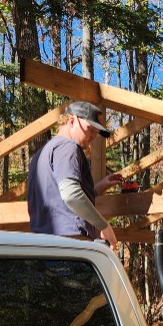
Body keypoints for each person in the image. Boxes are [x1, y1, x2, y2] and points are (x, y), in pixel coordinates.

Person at [28, 101, 123, 249]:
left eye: (96, 133)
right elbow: (71, 195)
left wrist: (99, 187)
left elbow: (56, 197)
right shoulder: (68, 147)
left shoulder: (42, 153)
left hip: (45, 243)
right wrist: (104, 226)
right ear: (72, 121)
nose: (93, 136)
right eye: (90, 129)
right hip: (70, 242)